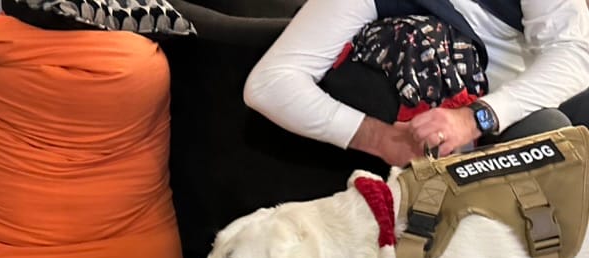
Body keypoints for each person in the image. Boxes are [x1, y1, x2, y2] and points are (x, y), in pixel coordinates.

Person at [243, 0, 589, 167]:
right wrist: (379, 137)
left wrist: (474, 117)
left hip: (528, 105)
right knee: (545, 131)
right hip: (473, 158)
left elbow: (575, 55)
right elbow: (270, 83)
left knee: (549, 127)